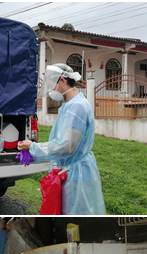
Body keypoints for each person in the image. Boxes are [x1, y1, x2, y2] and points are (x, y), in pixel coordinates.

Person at [18, 63, 105, 215]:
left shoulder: (76, 107)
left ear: (63, 81)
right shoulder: (70, 105)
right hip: (72, 170)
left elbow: (66, 146)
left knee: (75, 216)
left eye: (53, 85)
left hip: (76, 174)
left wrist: (33, 147)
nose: (52, 90)